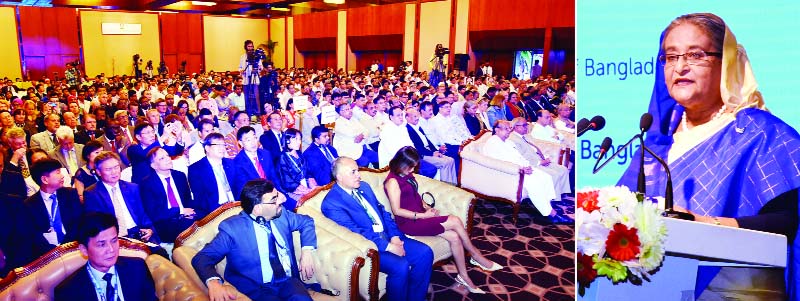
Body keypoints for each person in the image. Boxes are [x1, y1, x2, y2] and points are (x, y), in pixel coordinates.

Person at [618, 13, 800, 300]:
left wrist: (707, 224)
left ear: (726, 63)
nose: (680, 67)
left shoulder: (759, 131)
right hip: (652, 283)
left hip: (733, 285)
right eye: (671, 56)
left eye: (696, 55)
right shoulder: (657, 139)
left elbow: (789, 219)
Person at [383, 147, 501, 294]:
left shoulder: (405, 174)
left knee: (455, 236)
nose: (413, 170)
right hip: (409, 223)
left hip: (420, 216)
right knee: (455, 220)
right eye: (411, 166)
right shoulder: (392, 181)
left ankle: (463, 276)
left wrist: (426, 208)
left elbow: (414, 195)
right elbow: (397, 210)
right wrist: (423, 216)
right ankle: (475, 255)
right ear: (401, 163)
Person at [322, 157, 433, 301]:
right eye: (353, 172)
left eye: (358, 170)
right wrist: (388, 247)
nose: (359, 175)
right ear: (339, 177)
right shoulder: (332, 203)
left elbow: (383, 213)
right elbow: (355, 233)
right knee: (401, 266)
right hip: (370, 247)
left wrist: (394, 236)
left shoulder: (364, 187)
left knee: (425, 253)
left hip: (388, 236)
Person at [192, 179, 317, 301]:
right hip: (256, 287)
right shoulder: (232, 229)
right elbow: (202, 258)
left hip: (287, 281)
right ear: (257, 209)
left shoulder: (281, 214)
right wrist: (214, 283)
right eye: (274, 199)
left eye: (277, 195)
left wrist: (306, 251)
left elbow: (307, 222)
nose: (281, 200)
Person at [54, 212, 157, 301]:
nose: (111, 249)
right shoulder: (68, 292)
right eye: (101, 244)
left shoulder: (137, 267)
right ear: (84, 250)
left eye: (114, 241)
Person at [482, 121, 570, 224]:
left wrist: (527, 165)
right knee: (534, 182)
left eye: (509, 128)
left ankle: (546, 205)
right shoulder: (492, 143)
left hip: (522, 168)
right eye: (506, 129)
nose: (509, 131)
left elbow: (519, 157)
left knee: (545, 177)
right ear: (497, 130)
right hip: (510, 173)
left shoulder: (507, 142)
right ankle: (551, 214)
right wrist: (520, 169)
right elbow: (498, 163)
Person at [84, 151, 159, 243]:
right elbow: (96, 224)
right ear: (99, 172)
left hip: (139, 232)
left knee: (161, 254)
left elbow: (143, 214)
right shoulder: (92, 193)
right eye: (108, 169)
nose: (114, 172)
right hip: (115, 238)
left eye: (116, 167)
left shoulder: (133, 188)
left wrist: (149, 229)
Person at [19, 159, 84, 265]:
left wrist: (65, 246)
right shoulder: (29, 205)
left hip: (74, 249)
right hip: (47, 256)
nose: (62, 176)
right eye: (58, 172)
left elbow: (78, 222)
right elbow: (34, 234)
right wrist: (52, 251)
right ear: (45, 179)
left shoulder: (70, 194)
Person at [139, 147, 196, 243]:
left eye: (167, 155)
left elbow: (187, 200)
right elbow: (155, 214)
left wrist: (193, 211)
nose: (167, 159)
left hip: (186, 216)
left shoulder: (179, 176)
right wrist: (180, 211)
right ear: (154, 165)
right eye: (162, 158)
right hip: (167, 223)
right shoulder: (147, 184)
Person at [188, 133, 237, 219]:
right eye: (218, 145)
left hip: (236, 206)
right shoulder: (196, 169)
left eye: (223, 145)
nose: (222, 148)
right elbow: (200, 198)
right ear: (207, 148)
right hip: (214, 211)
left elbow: (238, 187)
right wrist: (219, 211)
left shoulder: (231, 163)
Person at [232, 126, 283, 201]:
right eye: (248, 140)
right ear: (240, 143)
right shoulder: (237, 163)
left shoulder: (266, 154)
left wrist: (279, 193)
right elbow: (244, 191)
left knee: (298, 206)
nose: (253, 142)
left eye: (254, 138)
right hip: (256, 200)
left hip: (274, 193)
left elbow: (274, 177)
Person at [277, 128, 316, 209]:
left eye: (300, 139)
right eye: (295, 139)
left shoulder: (299, 153)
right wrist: (307, 191)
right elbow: (287, 182)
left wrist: (313, 186)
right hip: (293, 190)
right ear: (287, 141)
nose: (299, 142)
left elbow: (308, 172)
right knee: (310, 205)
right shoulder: (282, 157)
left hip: (306, 185)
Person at [332, 103, 378, 168]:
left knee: (378, 158)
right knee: (365, 162)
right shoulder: (338, 123)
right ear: (341, 112)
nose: (350, 110)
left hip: (362, 148)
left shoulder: (353, 119)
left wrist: (361, 135)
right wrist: (362, 133)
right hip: (351, 153)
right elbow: (351, 134)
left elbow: (367, 131)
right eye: (347, 109)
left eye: (350, 108)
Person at [239, 40, 263, 116]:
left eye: (252, 46)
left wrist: (258, 68)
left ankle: (257, 113)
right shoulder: (242, 57)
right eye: (249, 46)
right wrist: (241, 70)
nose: (250, 48)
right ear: (245, 47)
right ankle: (248, 114)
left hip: (254, 79)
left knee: (256, 97)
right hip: (246, 79)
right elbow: (239, 67)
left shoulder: (257, 56)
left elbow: (261, 67)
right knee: (247, 97)